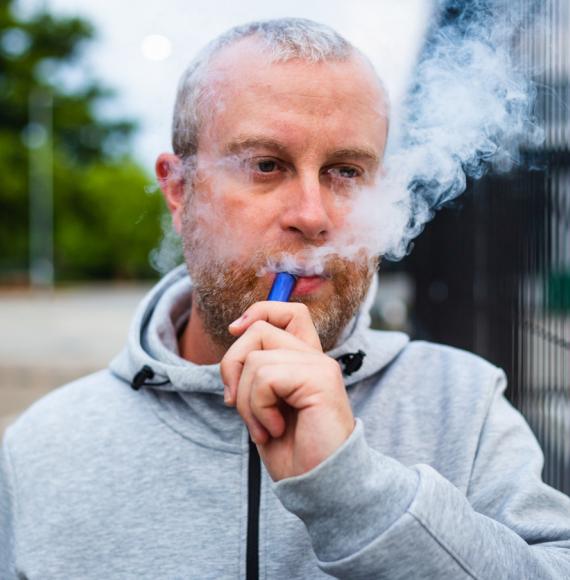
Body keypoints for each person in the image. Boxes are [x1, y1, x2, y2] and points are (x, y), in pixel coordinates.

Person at [1, 18, 570, 580]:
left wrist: (354, 492)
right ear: (180, 190)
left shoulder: (460, 404)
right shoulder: (44, 448)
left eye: (345, 171)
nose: (312, 216)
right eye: (266, 165)